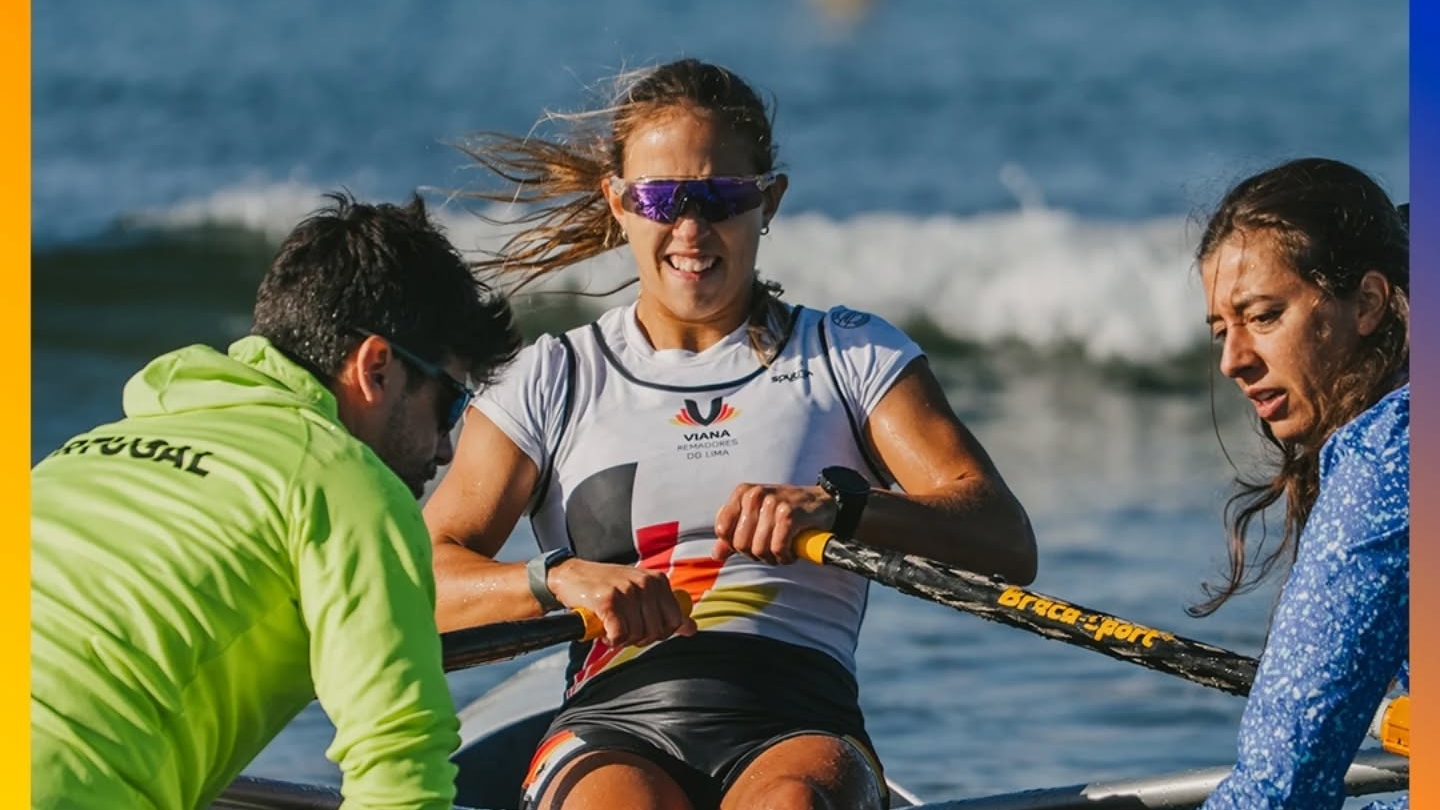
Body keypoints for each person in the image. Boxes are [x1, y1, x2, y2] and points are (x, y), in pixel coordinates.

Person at [424, 58, 1036, 810]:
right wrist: (555, 577)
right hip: (613, 721)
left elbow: (1003, 536)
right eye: (661, 197)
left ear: (768, 201)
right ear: (618, 201)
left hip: (799, 720)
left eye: (719, 198)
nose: (690, 228)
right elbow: (418, 581)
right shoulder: (555, 377)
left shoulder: (850, 357)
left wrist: (840, 508)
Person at [30, 192, 522, 810]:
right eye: (451, 403)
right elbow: (397, 764)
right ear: (376, 368)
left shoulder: (83, 453)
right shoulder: (344, 482)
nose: (446, 449)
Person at [1191, 158, 1409, 810]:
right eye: (1220, 330)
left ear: (1368, 302)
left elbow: (1278, 794)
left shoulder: (1393, 457)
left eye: (1262, 316)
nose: (1232, 360)